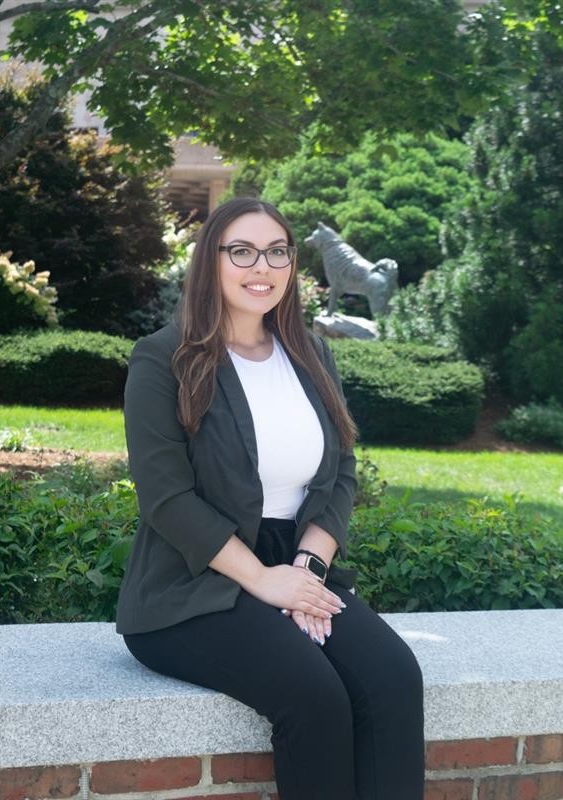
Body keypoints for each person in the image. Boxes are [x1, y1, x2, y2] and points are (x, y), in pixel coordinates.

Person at [116, 197, 425, 800]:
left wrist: (307, 569)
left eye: (277, 251)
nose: (263, 266)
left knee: (393, 678)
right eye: (243, 251)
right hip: (193, 584)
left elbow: (338, 472)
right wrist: (263, 579)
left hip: (298, 561)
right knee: (313, 695)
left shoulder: (310, 352)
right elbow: (166, 497)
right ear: (211, 261)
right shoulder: (163, 358)